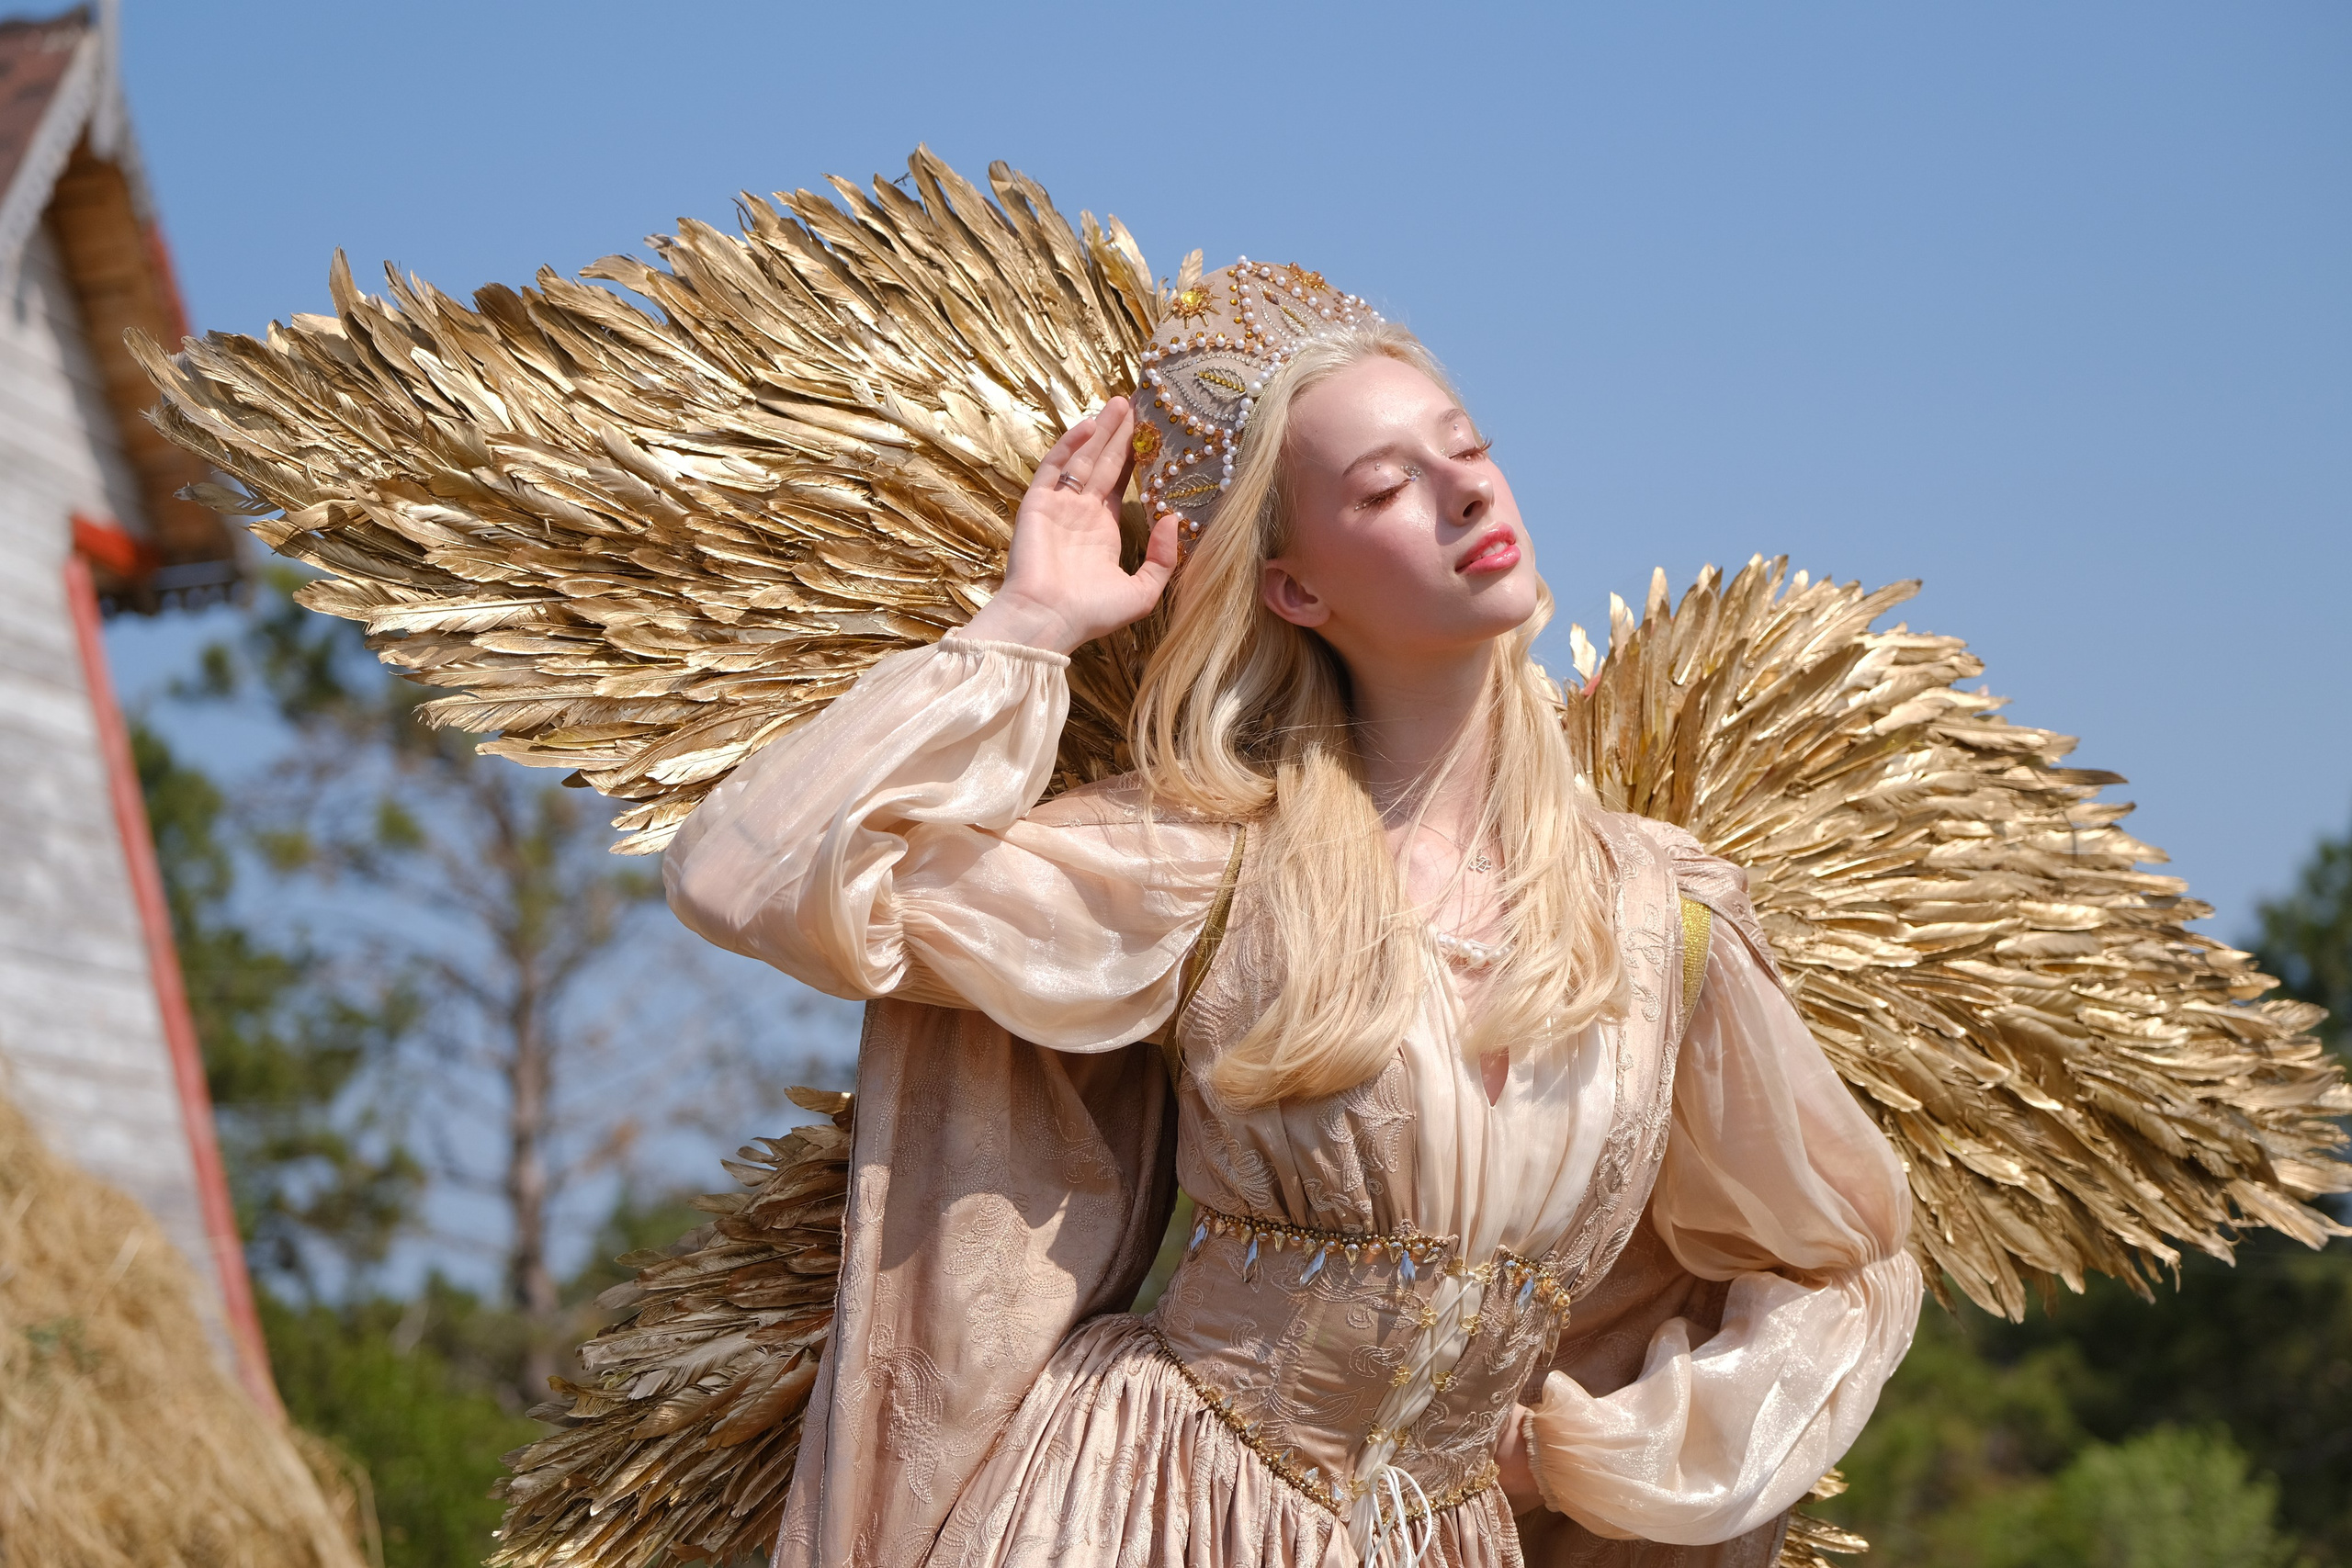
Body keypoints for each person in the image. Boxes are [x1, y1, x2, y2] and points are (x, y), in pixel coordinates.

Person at [662, 261, 1919, 1568]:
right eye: (1383, 489)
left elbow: (1845, 1261)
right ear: (1295, 590)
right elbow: (745, 877)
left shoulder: (1663, 922)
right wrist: (1030, 623)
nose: (1469, 492)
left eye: (1468, 447)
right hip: (1140, 1517)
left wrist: (1592, 1454)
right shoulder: (1201, 866)